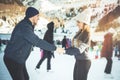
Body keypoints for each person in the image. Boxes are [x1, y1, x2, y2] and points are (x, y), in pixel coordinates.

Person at [3, 7, 62, 80]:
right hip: (13, 59)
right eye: (37, 16)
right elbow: (37, 41)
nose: (38, 18)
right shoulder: (24, 27)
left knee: (26, 78)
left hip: (19, 58)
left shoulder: (28, 26)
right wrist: (55, 48)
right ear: (32, 16)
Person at [64, 8, 91, 80]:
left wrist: (65, 51)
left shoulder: (87, 34)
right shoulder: (79, 33)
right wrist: (65, 49)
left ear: (84, 23)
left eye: (79, 22)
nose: (77, 24)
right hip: (78, 60)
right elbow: (74, 47)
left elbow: (79, 50)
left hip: (84, 62)